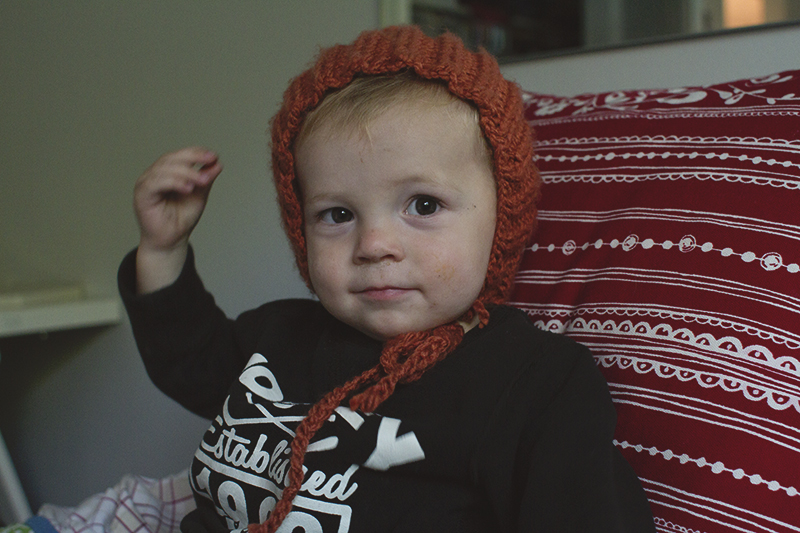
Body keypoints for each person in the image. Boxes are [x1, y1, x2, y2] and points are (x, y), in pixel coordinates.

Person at [118, 26, 655, 533]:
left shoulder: (535, 384)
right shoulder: (278, 335)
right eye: (337, 215)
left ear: (502, 217)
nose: (374, 245)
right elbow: (190, 362)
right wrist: (163, 250)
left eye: (423, 205)